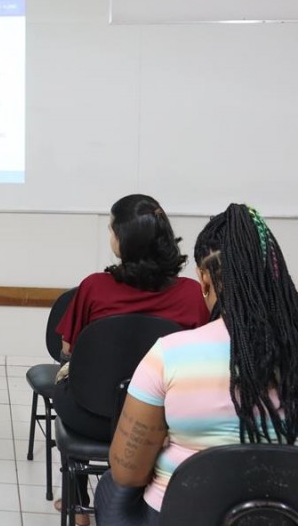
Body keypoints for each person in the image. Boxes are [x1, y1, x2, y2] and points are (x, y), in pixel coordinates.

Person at [95, 204, 298, 525]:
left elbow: (127, 471)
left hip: (177, 515)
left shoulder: (171, 355)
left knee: (110, 486)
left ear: (204, 280)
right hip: (283, 515)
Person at [50, 194, 209, 522]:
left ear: (122, 239)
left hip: (94, 416)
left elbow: (68, 349)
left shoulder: (94, 287)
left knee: (64, 392)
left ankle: (78, 505)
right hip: (165, 422)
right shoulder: (192, 294)